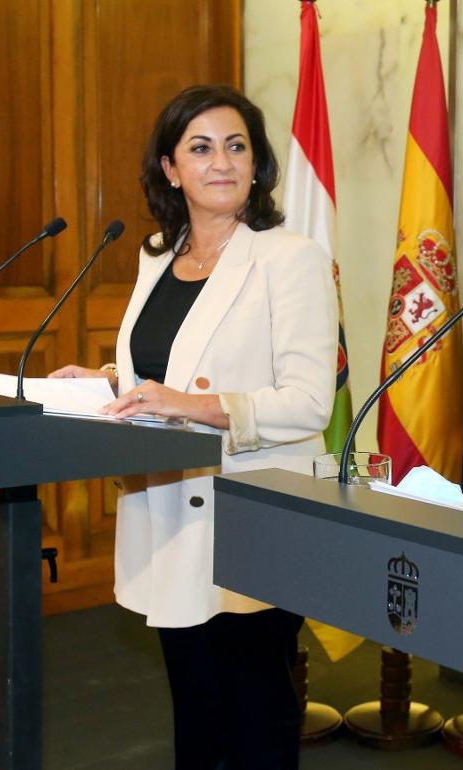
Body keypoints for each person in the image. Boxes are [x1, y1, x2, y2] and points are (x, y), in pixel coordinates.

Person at [51, 84, 336, 769]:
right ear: (170, 169)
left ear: (259, 165)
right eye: (201, 148)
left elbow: (309, 403)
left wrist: (190, 403)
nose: (222, 162)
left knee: (256, 710)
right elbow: (171, 366)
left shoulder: (289, 258)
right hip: (170, 508)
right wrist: (109, 382)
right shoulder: (156, 255)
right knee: (196, 706)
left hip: (254, 510)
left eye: (237, 147)